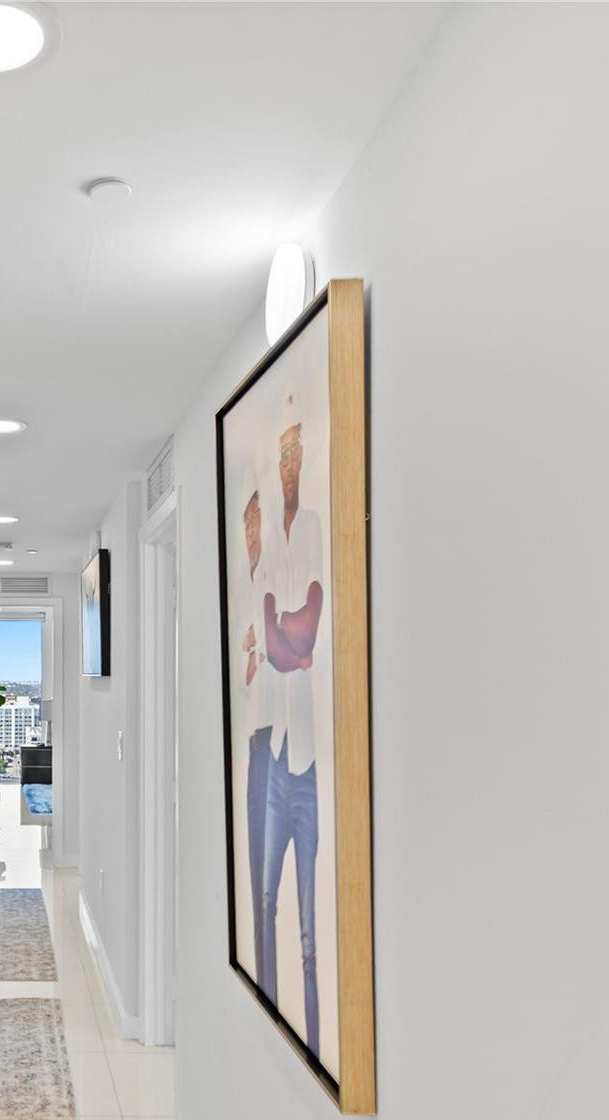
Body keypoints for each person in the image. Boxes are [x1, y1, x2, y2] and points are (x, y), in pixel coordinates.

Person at [258, 392, 327, 1051]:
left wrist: (285, 630)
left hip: (308, 764)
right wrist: (284, 635)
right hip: (274, 757)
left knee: (310, 935)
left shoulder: (309, 530)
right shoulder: (274, 542)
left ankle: (313, 1045)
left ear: (303, 460)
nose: (286, 464)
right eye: (277, 454)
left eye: (292, 453)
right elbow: (276, 643)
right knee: (267, 906)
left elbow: (302, 625)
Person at [236, 462, 279, 1002]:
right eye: (245, 524)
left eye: (255, 523)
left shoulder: (273, 582)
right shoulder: (245, 587)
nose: (250, 534)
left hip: (277, 739)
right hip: (254, 741)